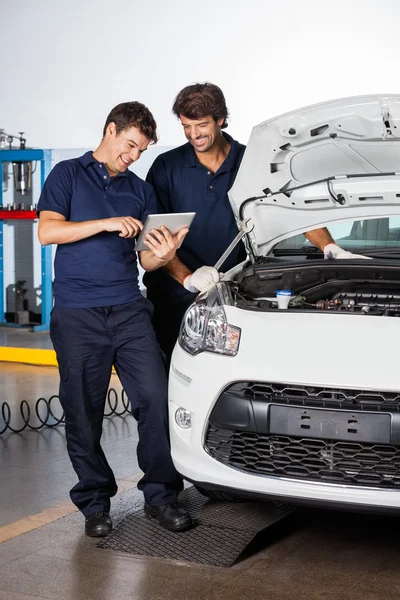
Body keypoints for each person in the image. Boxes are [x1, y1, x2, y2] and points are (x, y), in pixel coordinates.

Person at [37, 101, 194, 537]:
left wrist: (162, 253)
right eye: (130, 145)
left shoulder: (140, 191)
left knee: (155, 396)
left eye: (140, 150)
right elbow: (48, 231)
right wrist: (104, 223)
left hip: (128, 309)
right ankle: (94, 502)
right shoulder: (67, 174)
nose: (133, 157)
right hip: (78, 313)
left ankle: (161, 496)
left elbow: (146, 258)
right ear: (110, 130)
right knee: (83, 411)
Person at [144, 83, 365, 368]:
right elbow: (155, 238)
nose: (193, 134)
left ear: (220, 119)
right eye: (186, 126)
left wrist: (330, 247)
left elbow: (291, 207)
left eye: (201, 125)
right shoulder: (166, 167)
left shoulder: (252, 161)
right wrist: (188, 278)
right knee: (174, 379)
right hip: (174, 297)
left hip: (236, 293)